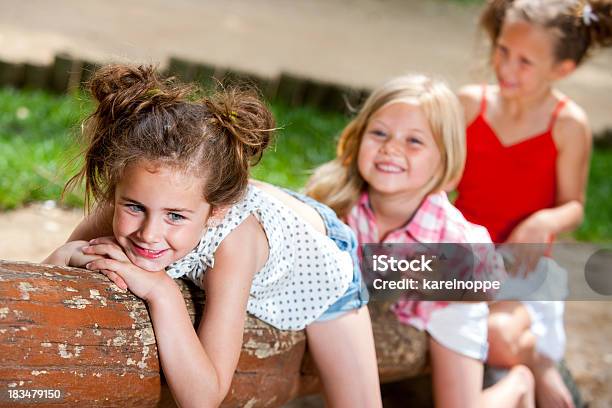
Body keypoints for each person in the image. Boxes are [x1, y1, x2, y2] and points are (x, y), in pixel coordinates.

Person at [44, 64, 382, 408]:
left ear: (215, 212)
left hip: (318, 252)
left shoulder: (234, 244)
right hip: (247, 201)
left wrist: (162, 292)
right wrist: (68, 255)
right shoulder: (133, 198)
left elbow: (204, 397)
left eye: (175, 216)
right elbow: (45, 274)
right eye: (134, 208)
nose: (149, 233)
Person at [307, 74, 535, 407]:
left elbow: (488, 282)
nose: (391, 148)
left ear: (443, 159)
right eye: (380, 133)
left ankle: (517, 385)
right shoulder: (339, 203)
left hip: (446, 306)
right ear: (359, 139)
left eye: (414, 141)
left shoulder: (454, 238)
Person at [455, 0, 612, 406]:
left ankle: (535, 365)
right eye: (503, 50)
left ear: (562, 70)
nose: (506, 67)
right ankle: (528, 367)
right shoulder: (469, 104)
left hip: (521, 269)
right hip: (460, 259)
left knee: (496, 336)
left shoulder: (568, 124)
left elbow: (573, 205)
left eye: (525, 61)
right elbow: (440, 179)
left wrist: (543, 220)